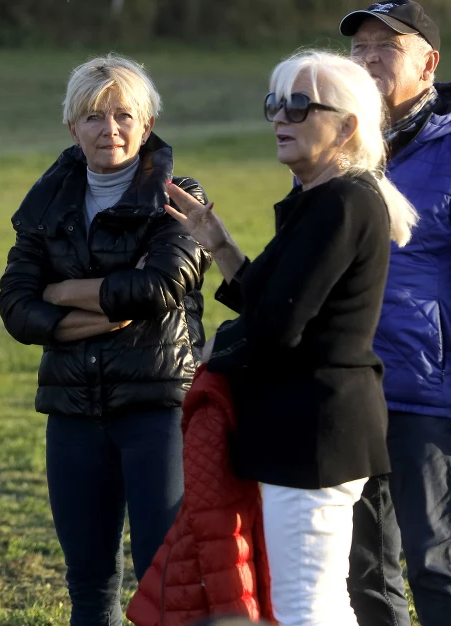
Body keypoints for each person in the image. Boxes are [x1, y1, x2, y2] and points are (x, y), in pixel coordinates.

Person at [165, 50, 418, 626]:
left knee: (307, 603)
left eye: (301, 105)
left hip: (316, 433)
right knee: (314, 598)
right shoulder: (322, 200)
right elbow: (283, 302)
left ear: (347, 126)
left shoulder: (343, 202)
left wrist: (214, 352)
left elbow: (281, 326)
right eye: (275, 103)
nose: (282, 117)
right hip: (308, 428)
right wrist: (222, 247)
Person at [0, 53, 212, 625]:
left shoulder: (179, 196)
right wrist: (94, 306)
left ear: (146, 124)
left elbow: (159, 286)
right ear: (72, 125)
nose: (109, 129)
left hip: (157, 410)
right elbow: (17, 307)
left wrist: (61, 292)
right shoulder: (46, 203)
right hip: (72, 411)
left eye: (123, 115)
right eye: (94, 116)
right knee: (88, 581)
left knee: (163, 574)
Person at [338, 3, 451, 625]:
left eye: (385, 46)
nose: (366, 58)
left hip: (428, 393)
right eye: (358, 49)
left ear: (428, 64)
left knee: (434, 562)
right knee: (364, 571)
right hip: (348, 385)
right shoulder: (339, 146)